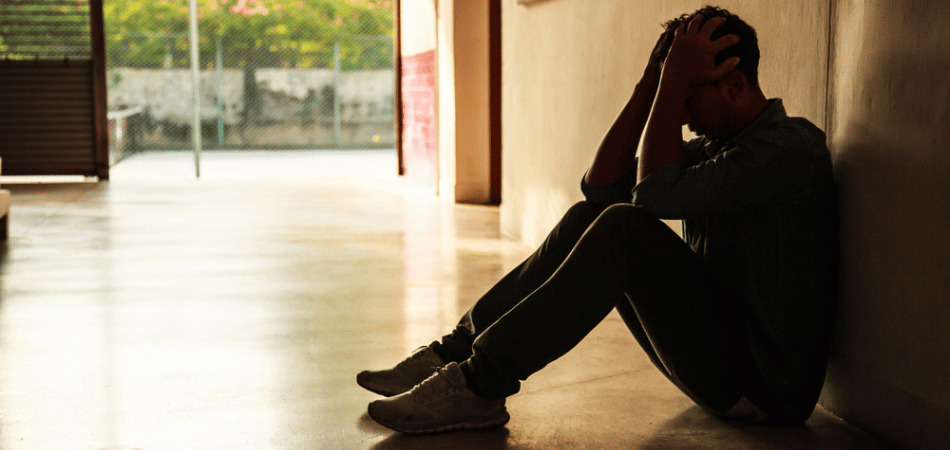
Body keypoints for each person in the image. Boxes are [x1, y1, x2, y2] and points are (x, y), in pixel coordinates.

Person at [357, 6, 837, 434]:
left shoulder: (788, 150)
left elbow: (650, 197)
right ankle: (456, 353)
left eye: (688, 100)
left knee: (624, 227)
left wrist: (671, 85)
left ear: (733, 84)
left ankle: (479, 384)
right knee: (594, 213)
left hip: (767, 388)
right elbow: (600, 186)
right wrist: (651, 82)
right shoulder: (721, 150)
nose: (682, 118)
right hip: (723, 362)